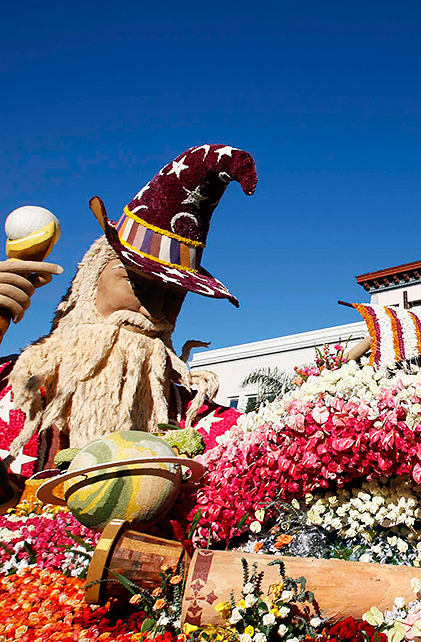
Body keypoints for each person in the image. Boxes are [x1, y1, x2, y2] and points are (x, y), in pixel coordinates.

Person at [0, 144, 254, 480]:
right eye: (138, 285)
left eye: (174, 296)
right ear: (89, 280)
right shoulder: (11, 384)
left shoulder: (192, 417)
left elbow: (273, 448)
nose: (155, 312)